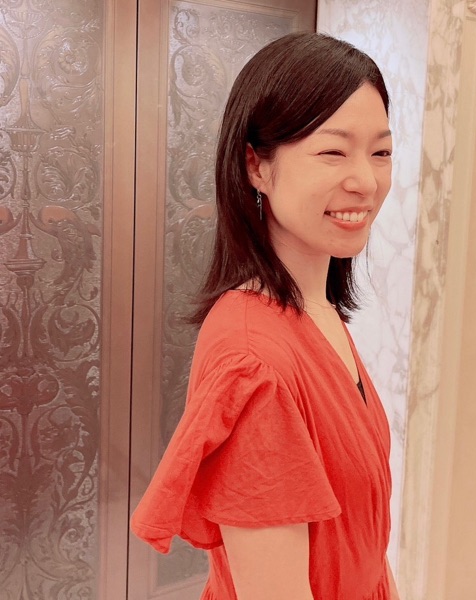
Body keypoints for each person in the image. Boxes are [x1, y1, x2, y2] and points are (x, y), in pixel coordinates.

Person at [131, 32, 400, 600]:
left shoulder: (316, 309)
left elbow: (364, 544)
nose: (366, 181)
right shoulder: (255, 364)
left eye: (381, 152)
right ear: (256, 165)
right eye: (333, 152)